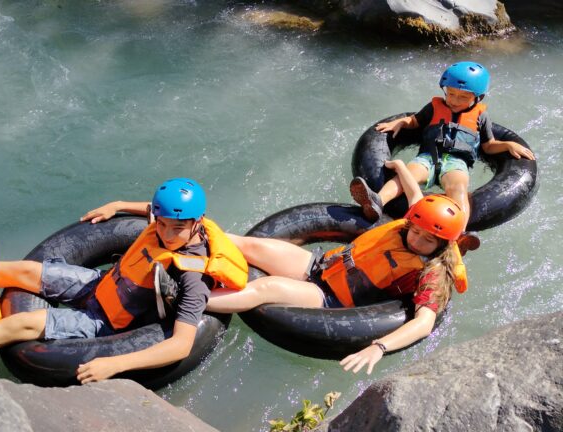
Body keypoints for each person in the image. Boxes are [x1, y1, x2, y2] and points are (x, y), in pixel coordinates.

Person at [0, 178, 249, 384]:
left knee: (23, 324)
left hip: (106, 322)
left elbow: (180, 345)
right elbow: (150, 209)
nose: (167, 233)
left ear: (196, 223)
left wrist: (114, 364)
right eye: (161, 223)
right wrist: (118, 204)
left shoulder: (193, 278)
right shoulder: (166, 220)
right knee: (16, 270)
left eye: (177, 228)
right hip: (98, 284)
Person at [202, 160, 469, 375]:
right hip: (323, 265)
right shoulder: (416, 220)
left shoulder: (432, 272)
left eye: (428, 239)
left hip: (332, 299)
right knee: (249, 245)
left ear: (443, 242)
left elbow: (424, 323)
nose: (417, 239)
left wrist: (379, 346)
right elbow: (415, 195)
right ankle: (184, 234)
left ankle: (185, 297)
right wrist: (399, 166)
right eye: (416, 231)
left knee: (264, 288)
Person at [351, 61, 535, 225]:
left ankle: (459, 228)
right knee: (405, 176)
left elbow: (488, 145)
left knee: (458, 187)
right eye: (451, 93)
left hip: (457, 162)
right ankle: (376, 203)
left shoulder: (481, 116)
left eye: (463, 97)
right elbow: (414, 121)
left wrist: (508, 145)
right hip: (428, 157)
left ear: (478, 98)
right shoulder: (434, 107)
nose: (454, 100)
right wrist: (400, 122)